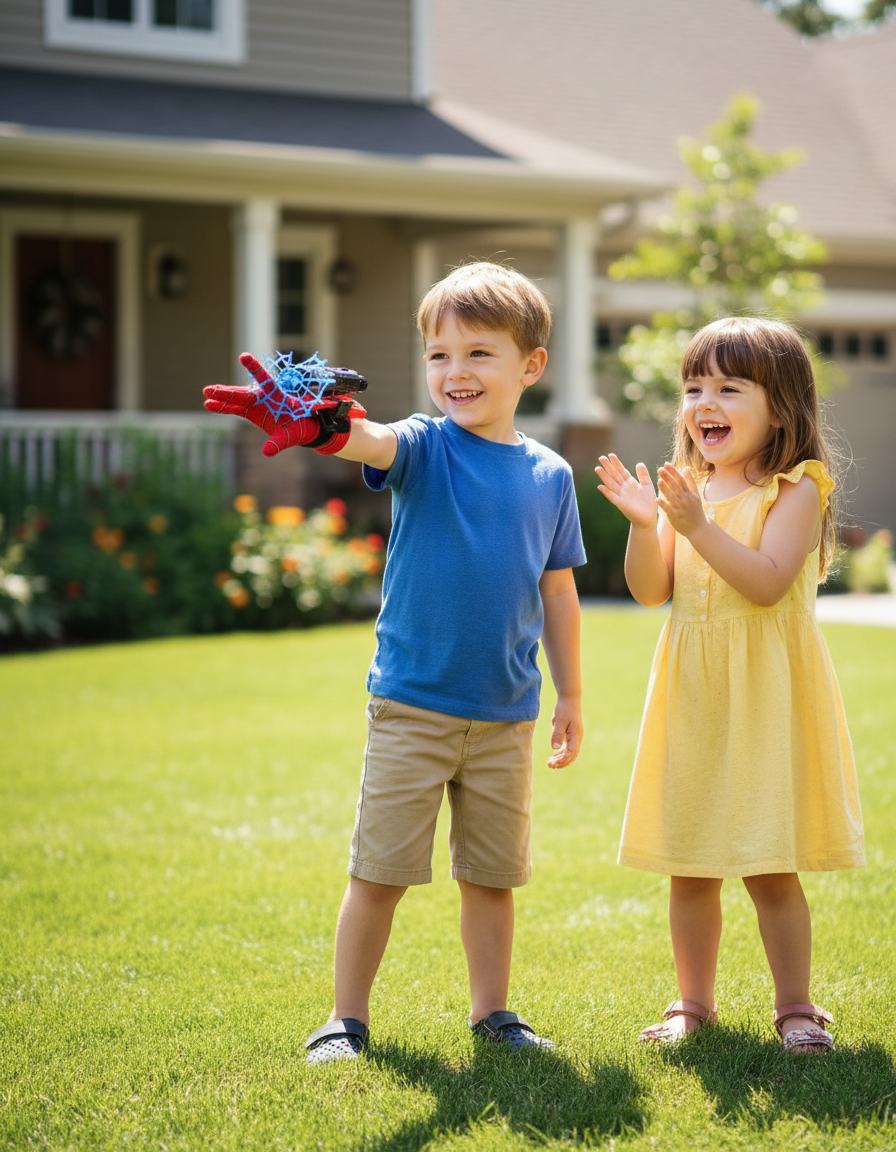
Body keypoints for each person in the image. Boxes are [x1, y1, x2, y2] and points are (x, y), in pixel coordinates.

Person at [203, 262, 586, 1064]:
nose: (455, 371)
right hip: (412, 705)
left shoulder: (550, 476)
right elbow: (364, 438)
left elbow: (558, 593)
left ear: (532, 365)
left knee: (492, 879)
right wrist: (317, 426)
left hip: (506, 714)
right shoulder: (422, 443)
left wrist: (571, 695)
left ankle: (494, 1015)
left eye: (478, 353)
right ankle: (345, 1019)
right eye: (439, 354)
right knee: (378, 874)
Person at [595, 316, 864, 1055]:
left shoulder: (796, 488)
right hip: (694, 697)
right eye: (693, 388)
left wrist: (695, 526)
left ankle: (796, 1007)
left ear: (780, 408)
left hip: (766, 699)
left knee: (769, 865)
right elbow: (651, 591)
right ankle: (693, 1004)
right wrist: (645, 523)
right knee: (689, 865)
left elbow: (769, 582)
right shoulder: (688, 492)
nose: (704, 403)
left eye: (729, 388)